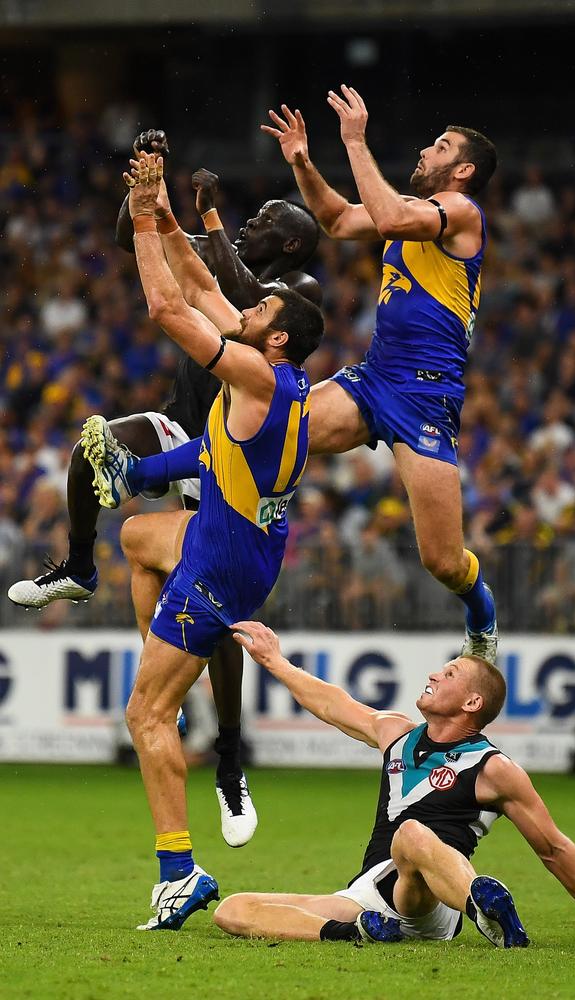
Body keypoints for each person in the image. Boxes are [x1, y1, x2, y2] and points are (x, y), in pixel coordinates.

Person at [8, 131, 322, 847]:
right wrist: (146, 197)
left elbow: (215, 299)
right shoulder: (256, 307)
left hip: (232, 465)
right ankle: (82, 566)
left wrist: (198, 224)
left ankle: (231, 760)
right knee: (120, 501)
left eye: (271, 218)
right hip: (194, 430)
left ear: (295, 250)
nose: (253, 220)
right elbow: (192, 273)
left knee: (214, 605)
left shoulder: (295, 306)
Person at [85, 151, 323, 930]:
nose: (248, 307)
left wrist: (147, 222)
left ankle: (179, 870)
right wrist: (154, 207)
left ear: (277, 340)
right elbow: (200, 277)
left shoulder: (253, 377)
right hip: (236, 542)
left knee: (142, 719)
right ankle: (167, 666)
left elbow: (165, 304)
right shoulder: (271, 374)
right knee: (137, 535)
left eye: (264, 309)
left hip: (220, 567)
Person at [211, 619, 575, 947]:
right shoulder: (396, 734)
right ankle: (354, 932)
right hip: (372, 896)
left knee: (411, 835)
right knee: (233, 910)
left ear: (472, 702)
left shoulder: (494, 767)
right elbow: (330, 703)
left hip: (433, 904)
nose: (436, 675)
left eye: (451, 674)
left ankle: (481, 911)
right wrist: (274, 661)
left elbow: (555, 848)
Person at [260, 89, 500, 662]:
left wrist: (354, 140)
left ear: (462, 170)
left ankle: (482, 617)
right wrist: (302, 161)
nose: (424, 149)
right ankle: (160, 475)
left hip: (424, 396)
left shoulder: (461, 214)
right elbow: (339, 219)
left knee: (442, 560)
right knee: (272, 429)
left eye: (439, 147)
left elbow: (389, 213)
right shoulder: (412, 219)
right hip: (374, 379)